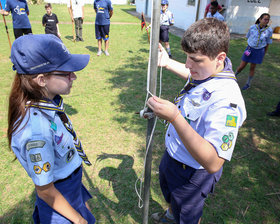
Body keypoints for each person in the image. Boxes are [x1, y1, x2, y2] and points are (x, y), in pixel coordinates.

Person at [147, 18, 247, 224]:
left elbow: (212, 162)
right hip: (174, 157)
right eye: (186, 57)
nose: (187, 64)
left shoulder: (228, 101)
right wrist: (166, 62)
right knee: (172, 196)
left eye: (196, 59)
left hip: (192, 173)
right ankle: (172, 213)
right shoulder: (211, 72)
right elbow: (197, 79)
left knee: (188, 213)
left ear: (220, 58)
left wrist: (175, 117)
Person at [8, 34, 95, 224]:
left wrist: (80, 201)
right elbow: (46, 190)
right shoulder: (36, 132)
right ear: (41, 80)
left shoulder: (50, 102)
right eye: (66, 72)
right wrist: (79, 220)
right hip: (60, 205)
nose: (74, 76)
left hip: (71, 189)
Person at [235, 13, 273, 90]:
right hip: (250, 49)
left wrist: (263, 53)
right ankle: (233, 77)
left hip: (259, 51)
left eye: (268, 20)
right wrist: (250, 46)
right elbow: (248, 37)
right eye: (265, 19)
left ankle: (248, 84)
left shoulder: (269, 30)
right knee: (242, 66)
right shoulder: (252, 27)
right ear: (260, 19)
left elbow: (268, 43)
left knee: (252, 68)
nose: (266, 21)